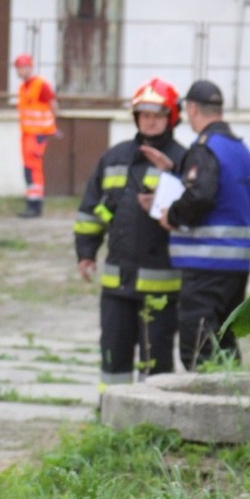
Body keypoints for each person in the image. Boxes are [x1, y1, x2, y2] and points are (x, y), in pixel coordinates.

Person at [74, 79, 186, 391]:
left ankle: (151, 426)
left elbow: (194, 211)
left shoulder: (184, 160)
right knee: (113, 357)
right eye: (144, 114)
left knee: (156, 363)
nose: (150, 121)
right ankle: (110, 421)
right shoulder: (115, 157)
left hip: (161, 285)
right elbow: (91, 210)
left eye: (157, 115)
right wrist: (85, 252)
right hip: (116, 284)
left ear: (171, 117)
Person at [143, 79, 250, 370]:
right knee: (224, 341)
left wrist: (171, 215)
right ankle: (236, 404)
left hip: (206, 266)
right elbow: (222, 194)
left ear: (192, 109)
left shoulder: (206, 148)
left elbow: (201, 195)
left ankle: (210, 411)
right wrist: (173, 171)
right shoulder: (240, 149)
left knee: (199, 349)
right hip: (236, 266)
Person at [14, 53, 57, 218]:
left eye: (23, 67)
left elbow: (53, 104)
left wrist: (50, 125)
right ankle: (31, 201)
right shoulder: (23, 88)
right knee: (28, 168)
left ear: (30, 67)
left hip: (38, 134)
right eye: (18, 68)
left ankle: (35, 205)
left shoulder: (40, 85)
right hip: (27, 133)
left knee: (34, 168)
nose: (20, 71)